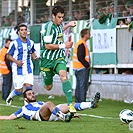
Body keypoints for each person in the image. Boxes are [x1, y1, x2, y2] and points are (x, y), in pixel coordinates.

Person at [40, 5, 76, 113]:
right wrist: (63, 45)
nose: (61, 19)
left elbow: (60, 30)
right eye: (59, 17)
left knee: (63, 75)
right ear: (53, 16)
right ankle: (45, 81)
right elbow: (47, 46)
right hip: (47, 59)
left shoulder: (59, 25)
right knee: (48, 87)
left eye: (62, 17)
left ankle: (70, 104)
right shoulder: (48, 27)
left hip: (59, 57)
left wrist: (69, 25)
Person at [0, 89, 100, 122]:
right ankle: (64, 117)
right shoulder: (23, 109)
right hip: (40, 116)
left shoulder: (39, 103)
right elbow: (9, 118)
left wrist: (71, 113)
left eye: (33, 93)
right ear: (25, 99)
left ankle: (90, 104)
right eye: (30, 94)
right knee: (49, 103)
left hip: (53, 114)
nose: (32, 95)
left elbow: (52, 108)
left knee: (70, 105)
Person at [5, 23, 38, 105]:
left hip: (28, 69)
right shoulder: (14, 43)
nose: (24, 32)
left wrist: (34, 56)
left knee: (29, 88)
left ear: (27, 31)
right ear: (19, 32)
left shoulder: (31, 42)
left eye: (25, 30)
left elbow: (32, 51)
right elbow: (8, 56)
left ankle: (27, 107)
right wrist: (16, 62)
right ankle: (11, 96)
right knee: (19, 91)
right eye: (21, 30)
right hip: (17, 70)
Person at [73, 28, 91, 103]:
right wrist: (87, 65)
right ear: (85, 35)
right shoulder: (82, 44)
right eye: (88, 33)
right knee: (83, 86)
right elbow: (80, 56)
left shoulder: (80, 43)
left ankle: (78, 101)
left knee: (79, 85)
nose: (90, 34)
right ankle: (82, 101)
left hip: (77, 67)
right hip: (81, 68)